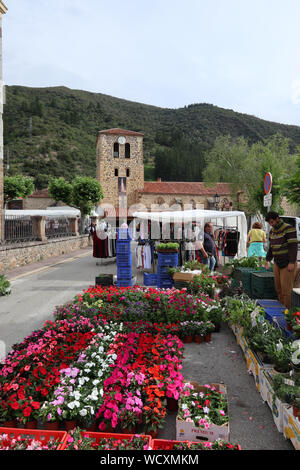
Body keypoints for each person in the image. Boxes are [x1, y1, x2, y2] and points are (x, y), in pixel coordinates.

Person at [265, 211, 298, 309]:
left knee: (286, 291)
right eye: (269, 223)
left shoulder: (289, 228)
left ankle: (287, 313)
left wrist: (292, 262)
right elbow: (271, 247)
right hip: (277, 263)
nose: (271, 225)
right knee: (278, 289)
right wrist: (267, 260)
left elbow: (293, 246)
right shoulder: (272, 232)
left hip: (287, 263)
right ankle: (282, 310)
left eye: (272, 222)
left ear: (277, 219)